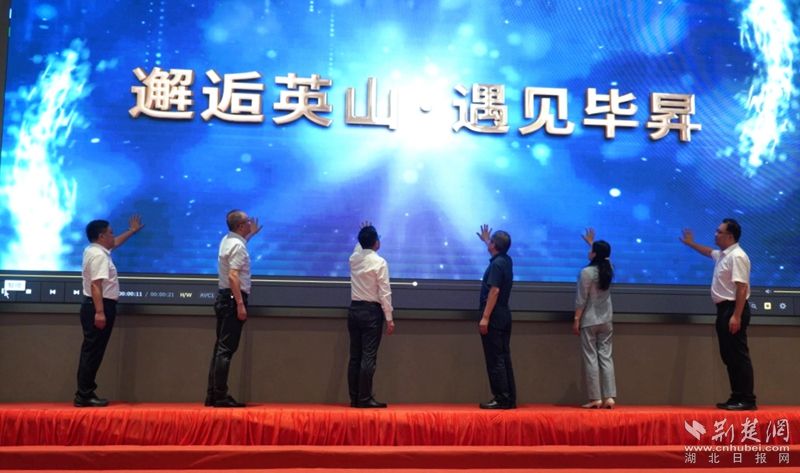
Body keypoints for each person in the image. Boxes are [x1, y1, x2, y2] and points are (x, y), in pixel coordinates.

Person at [680, 218, 756, 410]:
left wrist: (736, 316)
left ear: (729, 236)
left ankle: (747, 399)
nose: (715, 234)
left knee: (738, 356)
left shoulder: (737, 256)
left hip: (734, 308)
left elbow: (741, 287)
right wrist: (690, 244)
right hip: (724, 310)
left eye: (719, 232)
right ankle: (736, 396)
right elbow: (708, 252)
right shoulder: (723, 254)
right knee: (729, 356)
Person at [75, 215, 144, 407]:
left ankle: (85, 392)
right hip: (99, 305)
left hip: (96, 305)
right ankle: (84, 395)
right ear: (101, 236)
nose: (113, 236)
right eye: (111, 233)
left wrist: (132, 231)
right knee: (93, 352)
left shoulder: (94, 250)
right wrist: (100, 312)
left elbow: (115, 243)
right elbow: (96, 285)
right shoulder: (99, 256)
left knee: (93, 351)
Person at [205, 209, 261, 408]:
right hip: (232, 300)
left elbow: (238, 248)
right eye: (247, 221)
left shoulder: (227, 240)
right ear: (240, 226)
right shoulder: (238, 246)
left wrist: (251, 235)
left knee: (220, 349)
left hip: (223, 298)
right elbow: (233, 276)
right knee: (226, 350)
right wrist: (240, 304)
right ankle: (221, 396)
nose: (250, 223)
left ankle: (212, 394)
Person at [347, 221, 395, 408]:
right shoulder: (379, 262)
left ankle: (355, 398)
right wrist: (389, 318)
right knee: (368, 356)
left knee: (355, 357)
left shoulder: (354, 259)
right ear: (376, 242)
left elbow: (359, 248)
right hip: (371, 312)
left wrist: (363, 234)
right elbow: (385, 292)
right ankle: (365, 398)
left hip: (354, 310)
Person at [573, 228, 617, 409]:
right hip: (606, 319)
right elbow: (605, 257)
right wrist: (592, 243)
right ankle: (610, 397)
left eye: (591, 250)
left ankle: (595, 398)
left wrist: (576, 319)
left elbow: (581, 298)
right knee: (606, 357)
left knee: (591, 358)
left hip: (590, 320)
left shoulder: (586, 272)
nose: (588, 252)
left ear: (595, 254)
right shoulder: (609, 268)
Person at [476, 224, 516, 409]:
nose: (488, 243)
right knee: (503, 356)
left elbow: (494, 291)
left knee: (495, 359)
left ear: (494, 245)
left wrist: (485, 317)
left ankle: (501, 398)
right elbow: (497, 252)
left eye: (491, 241)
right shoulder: (506, 260)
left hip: (494, 317)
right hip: (503, 315)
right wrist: (487, 240)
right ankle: (509, 397)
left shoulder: (497, 264)